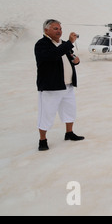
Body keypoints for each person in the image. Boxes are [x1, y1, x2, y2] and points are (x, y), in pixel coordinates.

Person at [34, 19, 84, 151]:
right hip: (51, 86)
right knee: (46, 113)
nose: (59, 31)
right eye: (56, 29)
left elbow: (68, 56)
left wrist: (75, 61)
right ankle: (42, 140)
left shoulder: (62, 44)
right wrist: (69, 43)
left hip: (67, 85)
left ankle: (69, 133)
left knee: (70, 110)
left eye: (60, 29)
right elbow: (53, 55)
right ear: (46, 30)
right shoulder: (41, 44)